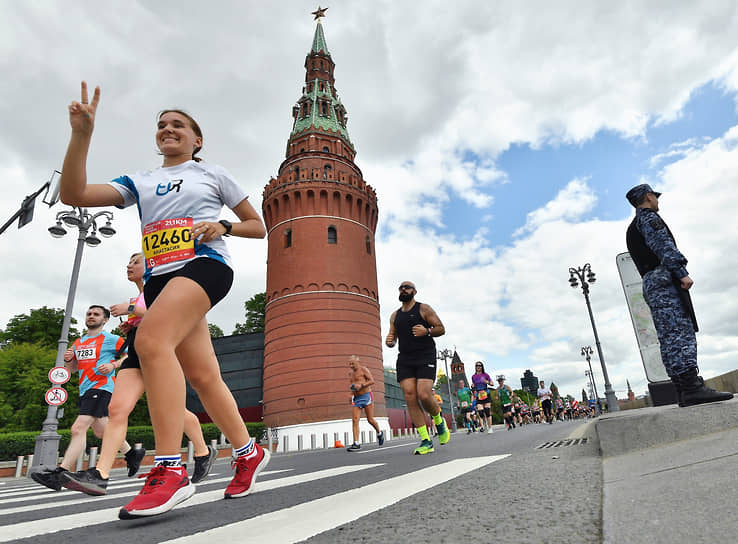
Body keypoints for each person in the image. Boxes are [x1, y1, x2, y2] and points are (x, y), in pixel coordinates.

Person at [59, 82, 269, 519]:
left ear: (197, 140)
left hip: (205, 266)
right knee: (204, 375)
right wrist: (82, 135)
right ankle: (248, 452)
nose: (168, 129)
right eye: (161, 126)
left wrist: (222, 228)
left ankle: (170, 468)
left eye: (178, 125)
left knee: (152, 342)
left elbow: (257, 226)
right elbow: (74, 196)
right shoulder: (142, 180)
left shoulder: (213, 175)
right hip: (160, 280)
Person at [61, 253, 217, 496]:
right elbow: (149, 314)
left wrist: (131, 309)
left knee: (173, 408)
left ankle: (203, 452)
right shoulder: (141, 293)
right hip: (135, 352)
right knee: (116, 409)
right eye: (129, 262)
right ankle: (100, 474)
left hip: (160, 351)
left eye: (135, 261)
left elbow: (171, 312)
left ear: (151, 263)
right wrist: (132, 323)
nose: (129, 265)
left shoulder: (165, 283)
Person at [625, 184, 732, 406]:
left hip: (651, 283)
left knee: (668, 336)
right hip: (664, 280)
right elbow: (663, 246)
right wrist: (682, 273)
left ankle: (683, 389)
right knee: (679, 333)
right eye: (655, 196)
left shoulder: (632, 227)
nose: (657, 200)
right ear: (648, 196)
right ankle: (692, 388)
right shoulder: (649, 219)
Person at [31, 306, 134, 491]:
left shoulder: (110, 339)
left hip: (102, 387)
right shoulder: (78, 342)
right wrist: (68, 360)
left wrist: (113, 365)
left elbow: (130, 355)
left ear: (105, 320)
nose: (91, 317)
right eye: (89, 314)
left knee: (78, 428)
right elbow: (72, 370)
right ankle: (132, 453)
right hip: (85, 390)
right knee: (102, 431)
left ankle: (60, 473)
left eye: (96, 314)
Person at [385, 281, 448, 454]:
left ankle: (438, 419)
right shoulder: (394, 316)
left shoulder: (424, 309)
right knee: (410, 396)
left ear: (414, 291)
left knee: (424, 394)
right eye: (401, 287)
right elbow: (392, 335)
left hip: (425, 355)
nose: (403, 289)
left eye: (407, 287)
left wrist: (427, 331)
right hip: (405, 358)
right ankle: (426, 440)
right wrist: (390, 341)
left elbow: (441, 328)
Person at [346, 355, 385, 451]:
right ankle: (356, 443)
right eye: (349, 364)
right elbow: (352, 385)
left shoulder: (363, 369)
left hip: (366, 396)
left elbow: (372, 381)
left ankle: (379, 433)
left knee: (370, 419)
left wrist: (362, 385)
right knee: (355, 420)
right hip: (357, 398)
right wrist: (351, 394)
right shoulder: (350, 373)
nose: (351, 366)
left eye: (352, 363)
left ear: (358, 362)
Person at [471, 362, 494, 433]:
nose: (478, 367)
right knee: (480, 412)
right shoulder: (473, 376)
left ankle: (490, 428)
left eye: (480, 366)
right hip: (479, 395)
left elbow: (492, 384)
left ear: (482, 367)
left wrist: (486, 381)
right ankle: (484, 423)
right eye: (477, 366)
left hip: (486, 393)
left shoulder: (485, 375)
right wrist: (473, 386)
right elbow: (474, 385)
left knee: (487, 412)